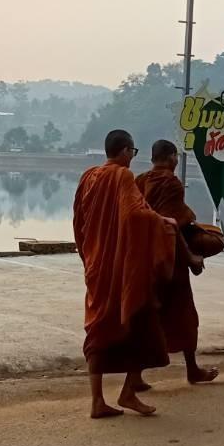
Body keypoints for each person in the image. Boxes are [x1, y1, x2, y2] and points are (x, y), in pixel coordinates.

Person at [73, 129, 177, 418]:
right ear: (125, 151)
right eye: (133, 152)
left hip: (97, 264)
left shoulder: (88, 176)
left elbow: (78, 220)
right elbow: (135, 214)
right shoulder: (122, 176)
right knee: (140, 322)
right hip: (121, 266)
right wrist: (163, 221)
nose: (133, 158)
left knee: (97, 329)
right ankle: (128, 392)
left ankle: (97, 400)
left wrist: (89, 254)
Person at [135, 139, 221, 385]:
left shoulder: (139, 181)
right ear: (170, 157)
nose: (176, 161)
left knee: (148, 316)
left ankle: (135, 378)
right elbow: (171, 227)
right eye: (175, 157)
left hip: (145, 258)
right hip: (171, 259)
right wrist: (192, 258)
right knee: (184, 315)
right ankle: (192, 369)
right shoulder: (171, 182)